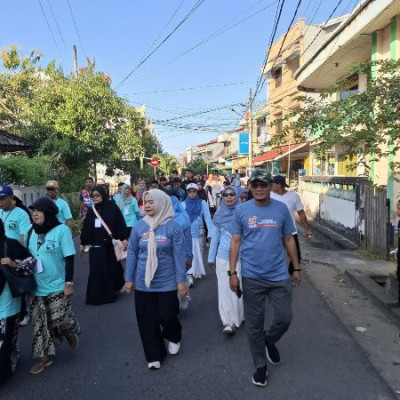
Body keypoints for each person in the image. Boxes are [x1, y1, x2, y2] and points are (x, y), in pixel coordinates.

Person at [229, 169, 301, 387]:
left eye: (264, 185)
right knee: (254, 324)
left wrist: (296, 268)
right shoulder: (241, 210)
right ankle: (260, 365)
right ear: (250, 186)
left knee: (284, 318)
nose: (259, 188)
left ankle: (270, 340)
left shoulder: (281, 209)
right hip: (252, 276)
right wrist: (232, 273)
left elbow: (289, 238)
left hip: (279, 274)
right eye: (256, 185)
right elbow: (235, 242)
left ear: (271, 186)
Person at [124, 189, 188, 369]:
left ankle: (174, 336)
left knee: (167, 316)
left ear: (161, 202)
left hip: (167, 281)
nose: (148, 205)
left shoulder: (172, 226)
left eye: (152, 201)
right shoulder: (139, 226)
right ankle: (154, 355)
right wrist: (129, 278)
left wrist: (181, 280)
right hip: (144, 282)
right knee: (147, 320)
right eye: (146, 202)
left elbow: (179, 255)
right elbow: (132, 253)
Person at [26, 198, 80, 375]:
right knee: (40, 325)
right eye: (33, 211)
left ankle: (69, 331)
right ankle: (44, 358)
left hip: (57, 284)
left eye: (39, 211)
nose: (35, 214)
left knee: (59, 319)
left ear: (48, 213)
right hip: (36, 287)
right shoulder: (30, 232)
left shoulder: (61, 230)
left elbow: (70, 258)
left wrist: (69, 283)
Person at [80, 186, 129, 305]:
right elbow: (86, 228)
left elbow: (120, 223)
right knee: (97, 272)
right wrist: (83, 243)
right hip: (96, 246)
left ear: (103, 195)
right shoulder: (92, 211)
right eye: (93, 196)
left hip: (110, 246)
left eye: (97, 196)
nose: (95, 198)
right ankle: (97, 297)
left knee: (112, 269)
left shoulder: (112, 208)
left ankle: (114, 289)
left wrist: (124, 238)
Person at [0, 219, 35, 384]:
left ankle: (5, 370)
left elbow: (30, 262)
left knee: (6, 338)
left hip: (7, 299)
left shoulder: (10, 244)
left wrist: (13, 263)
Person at [208, 186, 244, 336]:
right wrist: (211, 257)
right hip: (222, 257)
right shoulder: (218, 215)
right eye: (226, 195)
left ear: (237, 196)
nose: (229, 197)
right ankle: (228, 321)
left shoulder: (243, 212)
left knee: (238, 288)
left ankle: (238, 317)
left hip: (240, 258)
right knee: (224, 289)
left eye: (232, 194)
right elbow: (215, 238)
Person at [271, 175, 312, 275]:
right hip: (273, 231)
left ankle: (292, 273)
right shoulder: (270, 195)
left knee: (295, 255)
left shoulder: (294, 196)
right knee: (272, 255)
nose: (270, 186)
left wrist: (307, 229)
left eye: (272, 184)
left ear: (279, 185)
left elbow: (301, 213)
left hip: (290, 231)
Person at [181, 183, 213, 283]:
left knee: (198, 251)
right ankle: (189, 272)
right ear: (187, 192)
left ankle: (197, 271)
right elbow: (180, 220)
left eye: (194, 191)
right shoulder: (182, 204)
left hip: (199, 231)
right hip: (187, 233)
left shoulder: (202, 203)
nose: (192, 193)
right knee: (188, 252)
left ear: (197, 192)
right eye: (189, 191)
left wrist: (210, 233)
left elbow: (207, 218)